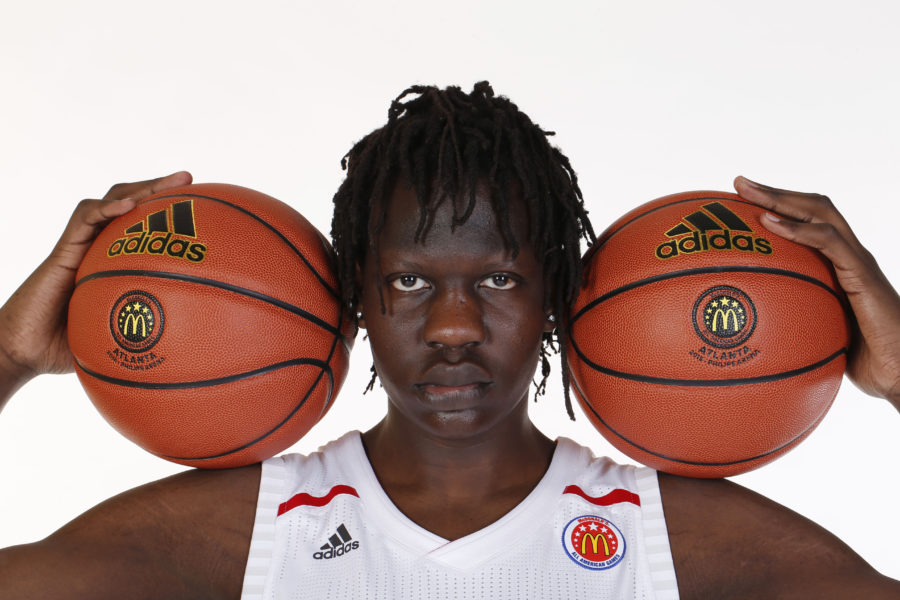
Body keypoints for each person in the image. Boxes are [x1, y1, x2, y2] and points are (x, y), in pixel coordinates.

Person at [0, 82, 898, 599]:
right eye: (409, 280)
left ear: (556, 296)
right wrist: (8, 358)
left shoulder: (669, 538)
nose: (455, 327)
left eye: (500, 280)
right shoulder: (255, 531)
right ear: (356, 293)